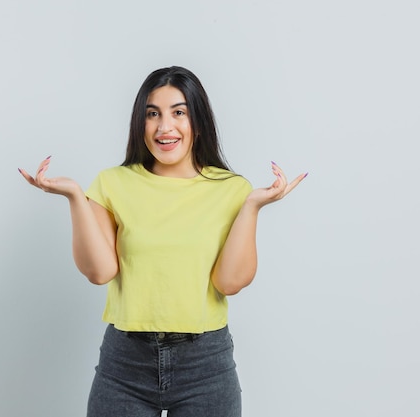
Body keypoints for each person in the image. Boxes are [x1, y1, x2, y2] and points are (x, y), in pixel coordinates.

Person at [19, 66, 306, 417]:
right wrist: (75, 197)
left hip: (206, 365)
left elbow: (229, 283)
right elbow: (100, 271)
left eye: (179, 113)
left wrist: (251, 207)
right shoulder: (113, 184)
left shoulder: (232, 189)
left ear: (197, 121)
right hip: (124, 364)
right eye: (152, 113)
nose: (164, 127)